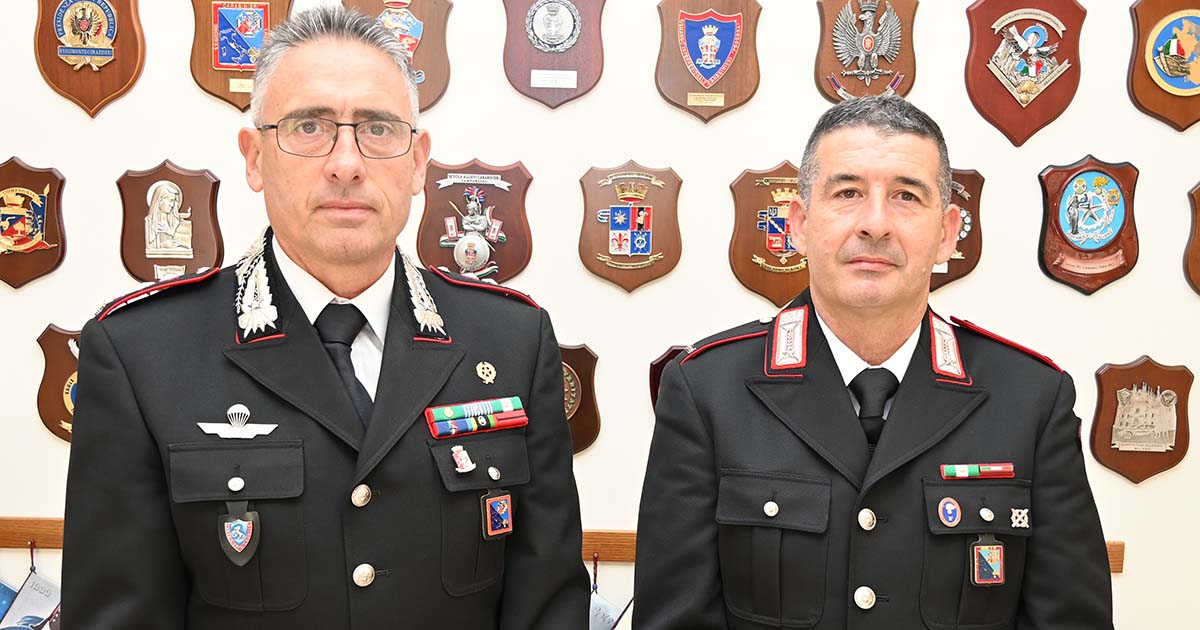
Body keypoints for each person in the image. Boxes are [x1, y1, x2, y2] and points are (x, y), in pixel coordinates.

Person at [62, 6, 588, 629]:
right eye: (310, 127)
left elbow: (546, 604)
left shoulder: (511, 341)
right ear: (254, 157)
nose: (346, 162)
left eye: (378, 128)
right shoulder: (141, 354)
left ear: (418, 162)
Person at [633, 96, 1113, 629]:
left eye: (906, 196)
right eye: (847, 192)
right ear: (798, 222)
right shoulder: (707, 392)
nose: (875, 223)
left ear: (948, 233)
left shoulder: (1031, 399)